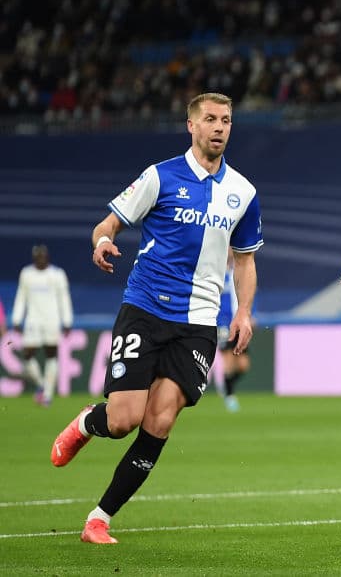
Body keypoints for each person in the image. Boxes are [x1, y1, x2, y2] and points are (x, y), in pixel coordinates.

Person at [49, 92, 263, 545]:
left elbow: (244, 261)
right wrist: (101, 241)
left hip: (200, 323)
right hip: (145, 309)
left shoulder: (243, 192)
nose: (220, 127)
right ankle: (90, 422)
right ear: (191, 125)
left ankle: (99, 518)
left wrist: (243, 311)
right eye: (210, 119)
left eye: (226, 120)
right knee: (123, 419)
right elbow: (109, 223)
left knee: (161, 421)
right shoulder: (160, 176)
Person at [10, 244, 74, 406]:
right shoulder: (27, 274)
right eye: (37, 257)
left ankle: (47, 395)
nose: (40, 259)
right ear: (34, 258)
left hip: (52, 320)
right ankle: (41, 384)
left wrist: (67, 320)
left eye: (42, 256)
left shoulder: (57, 275)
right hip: (33, 321)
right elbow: (21, 297)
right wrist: (17, 318)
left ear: (47, 257)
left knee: (51, 354)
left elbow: (64, 298)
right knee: (27, 354)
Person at [216, 254, 249, 412]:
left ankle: (228, 387)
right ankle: (229, 396)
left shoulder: (240, 272)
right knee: (228, 361)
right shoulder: (218, 273)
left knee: (243, 365)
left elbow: (249, 295)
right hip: (225, 325)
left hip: (240, 323)